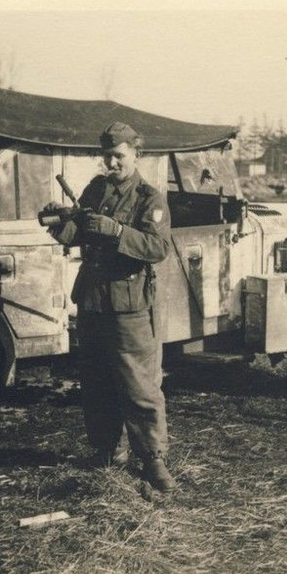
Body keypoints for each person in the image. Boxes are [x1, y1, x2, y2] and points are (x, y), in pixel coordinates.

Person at [43, 121, 176, 492]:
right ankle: (108, 450)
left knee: (139, 385)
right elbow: (78, 231)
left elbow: (158, 248)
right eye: (107, 156)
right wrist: (58, 224)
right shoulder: (95, 189)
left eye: (118, 155)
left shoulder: (149, 198)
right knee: (97, 380)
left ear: (136, 154)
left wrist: (117, 232)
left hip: (129, 306)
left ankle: (153, 459)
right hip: (93, 301)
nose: (112, 163)